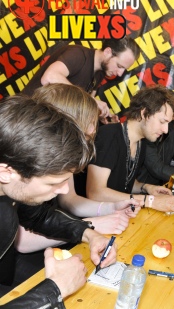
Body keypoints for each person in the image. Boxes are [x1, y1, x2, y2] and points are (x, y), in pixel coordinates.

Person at [0, 96, 117, 307]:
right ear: (6, 172)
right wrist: (54, 290)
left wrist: (89, 233)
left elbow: (38, 215)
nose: (64, 190)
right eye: (53, 183)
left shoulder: (10, 185)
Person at [15, 83, 141, 256]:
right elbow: (21, 240)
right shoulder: (27, 158)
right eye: (88, 122)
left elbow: (69, 201)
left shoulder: (65, 155)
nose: (92, 129)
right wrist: (91, 224)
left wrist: (110, 208)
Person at [75, 86, 174, 214]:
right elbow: (95, 192)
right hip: (88, 219)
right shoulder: (109, 136)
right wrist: (149, 201)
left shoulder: (141, 143)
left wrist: (146, 188)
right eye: (162, 121)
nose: (165, 130)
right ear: (144, 114)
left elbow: (123, 183)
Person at [22, 37, 141, 122]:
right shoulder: (78, 54)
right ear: (108, 52)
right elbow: (49, 77)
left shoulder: (100, 73)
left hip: (46, 120)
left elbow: (85, 104)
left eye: (123, 69)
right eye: (119, 66)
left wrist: (101, 115)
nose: (120, 73)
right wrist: (90, 100)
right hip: (26, 115)